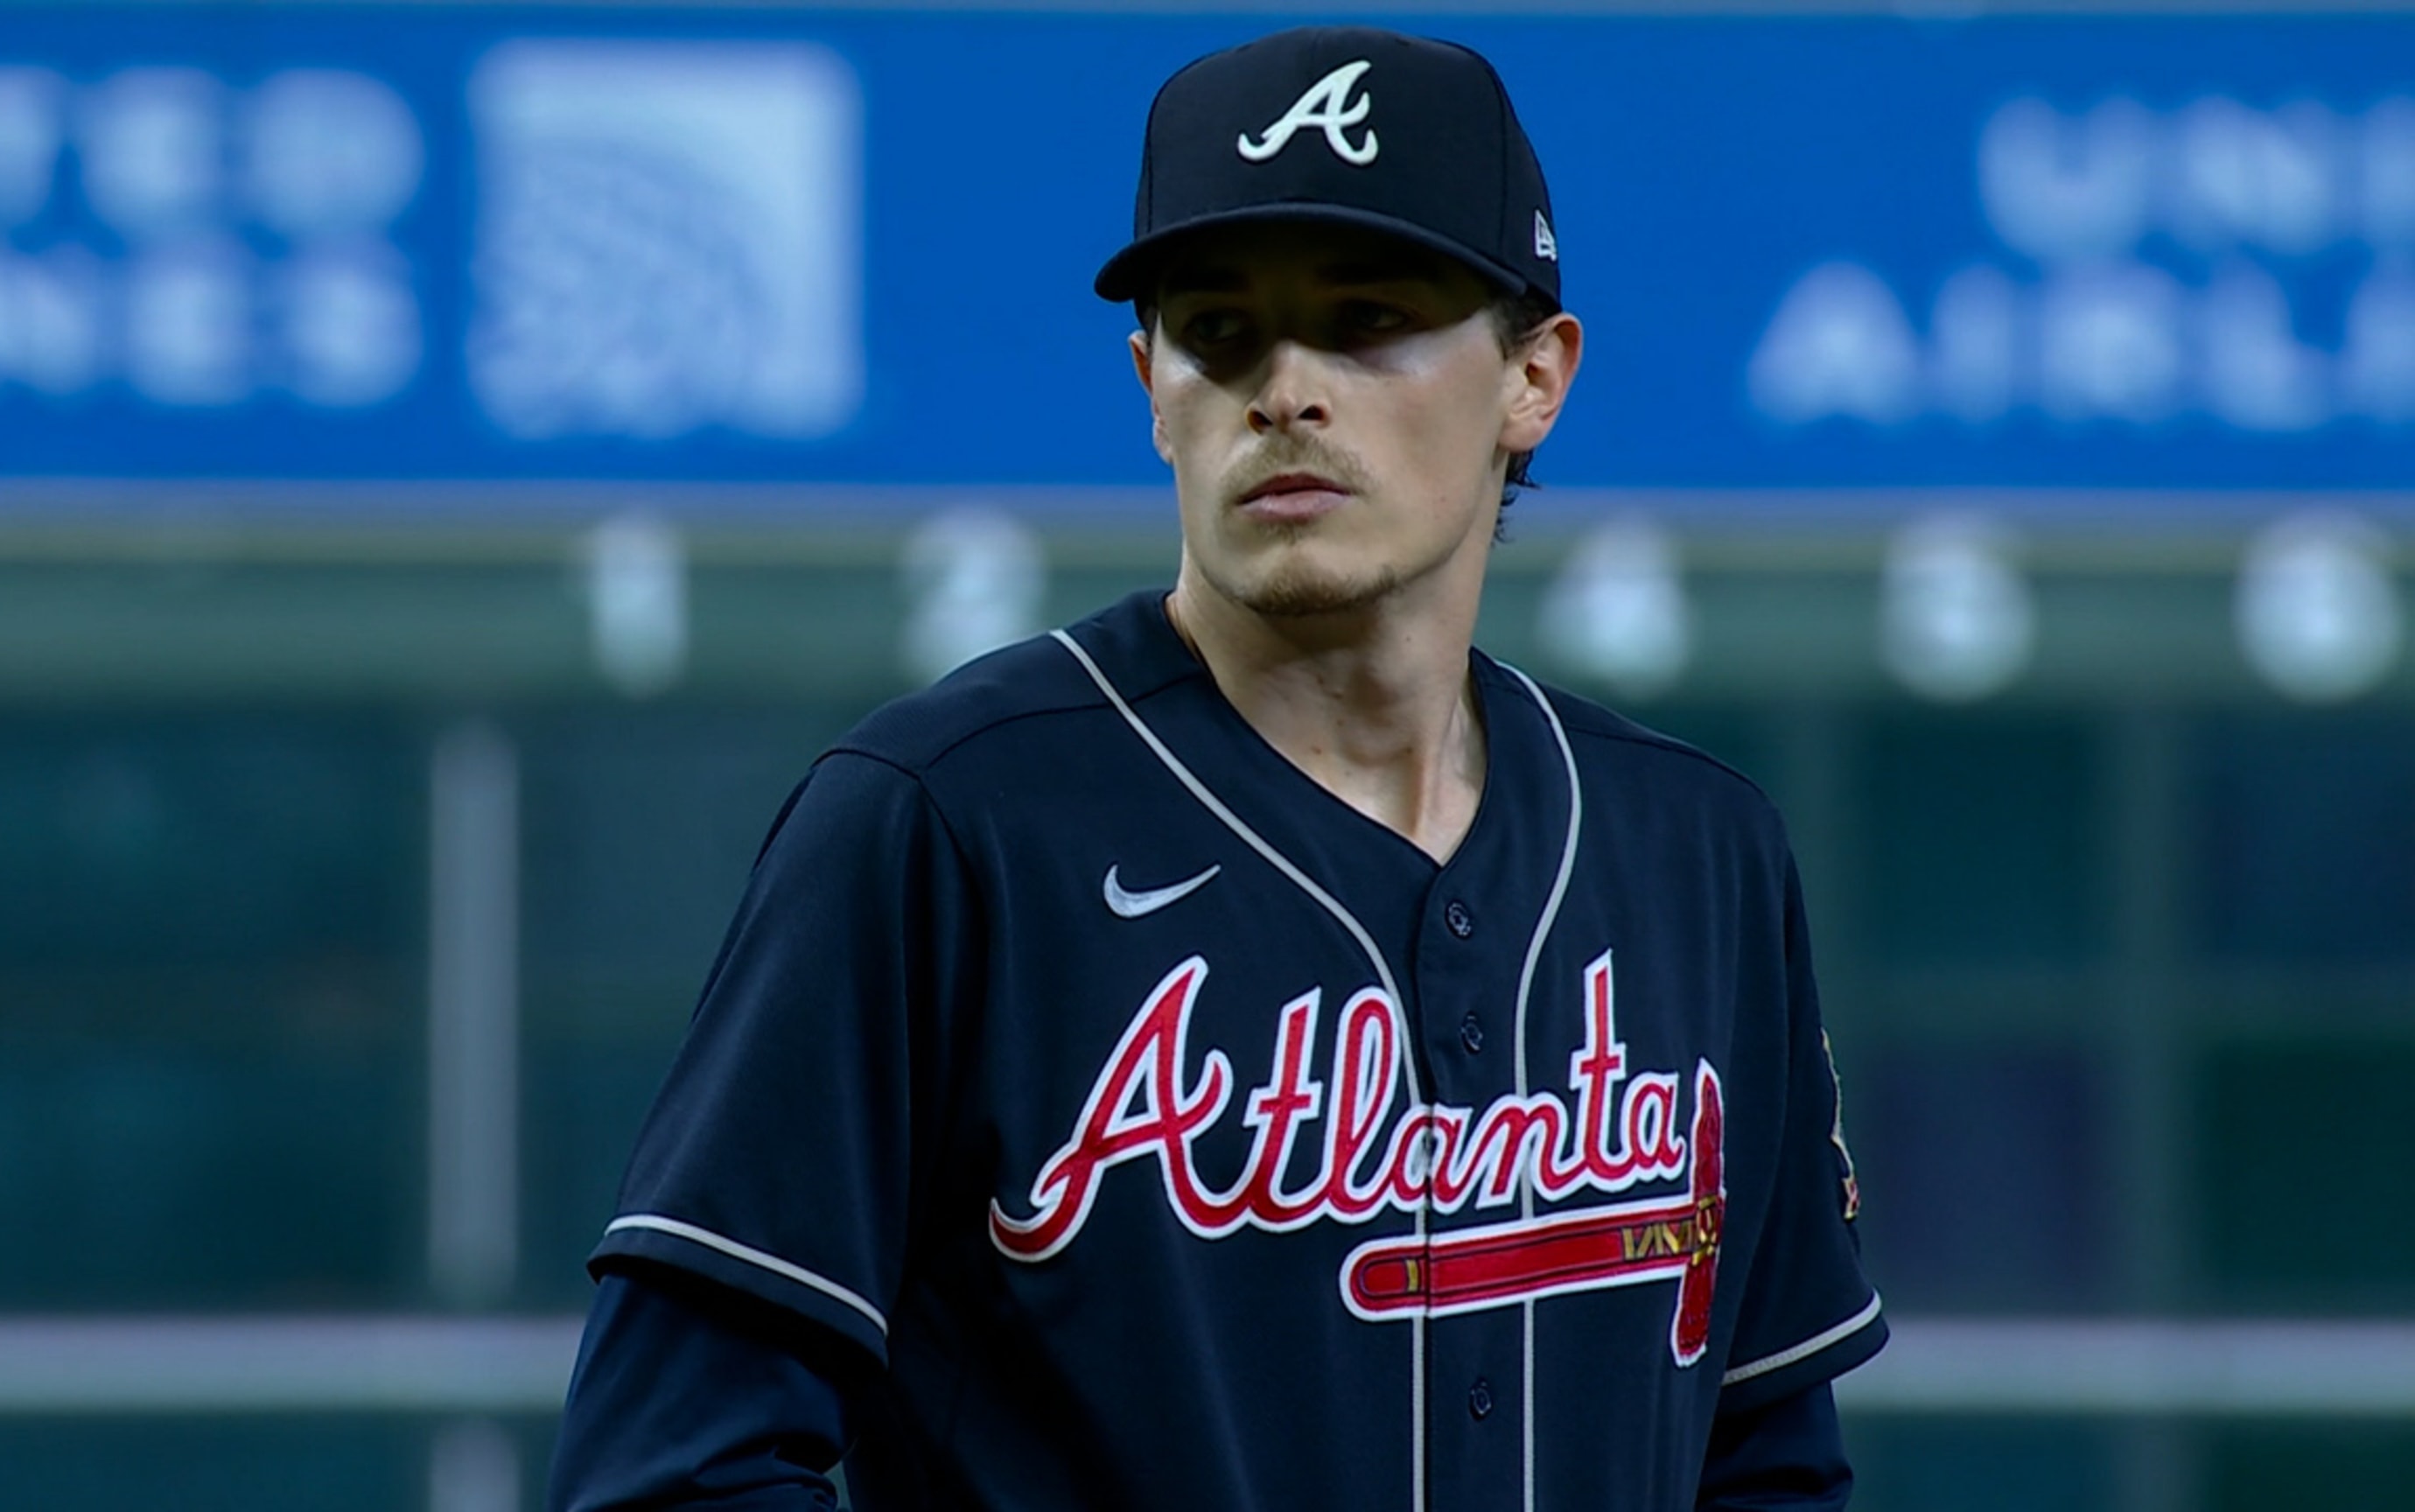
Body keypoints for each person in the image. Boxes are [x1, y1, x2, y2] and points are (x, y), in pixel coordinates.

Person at [548, 24, 1885, 1511]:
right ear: (1152, 384)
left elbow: (1768, 1455)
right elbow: (674, 1469)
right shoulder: (943, 822)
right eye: (1221, 332)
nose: (1286, 387)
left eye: (1369, 318)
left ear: (1534, 376)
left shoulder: (1696, 850)